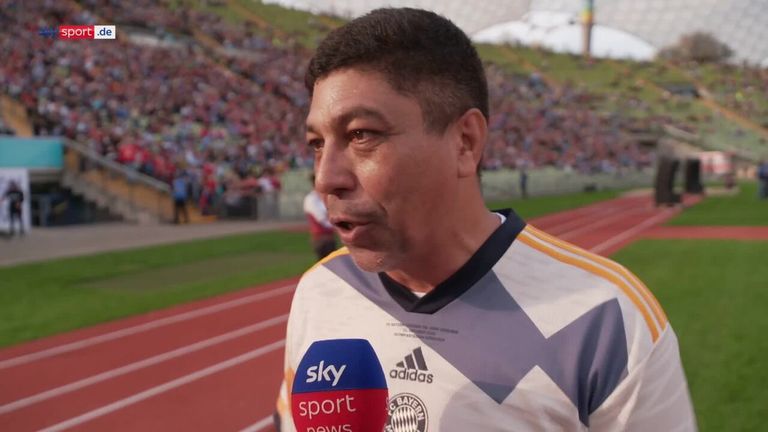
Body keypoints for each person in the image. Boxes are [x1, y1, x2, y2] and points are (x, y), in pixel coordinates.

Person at [276, 8, 696, 431]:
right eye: (316, 143)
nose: (325, 178)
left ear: (465, 141)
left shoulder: (605, 318)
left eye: (361, 135)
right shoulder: (320, 291)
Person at [303, 174, 337, 260]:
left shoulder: (323, 198)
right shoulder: (311, 199)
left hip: (329, 237)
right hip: (321, 238)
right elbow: (321, 218)